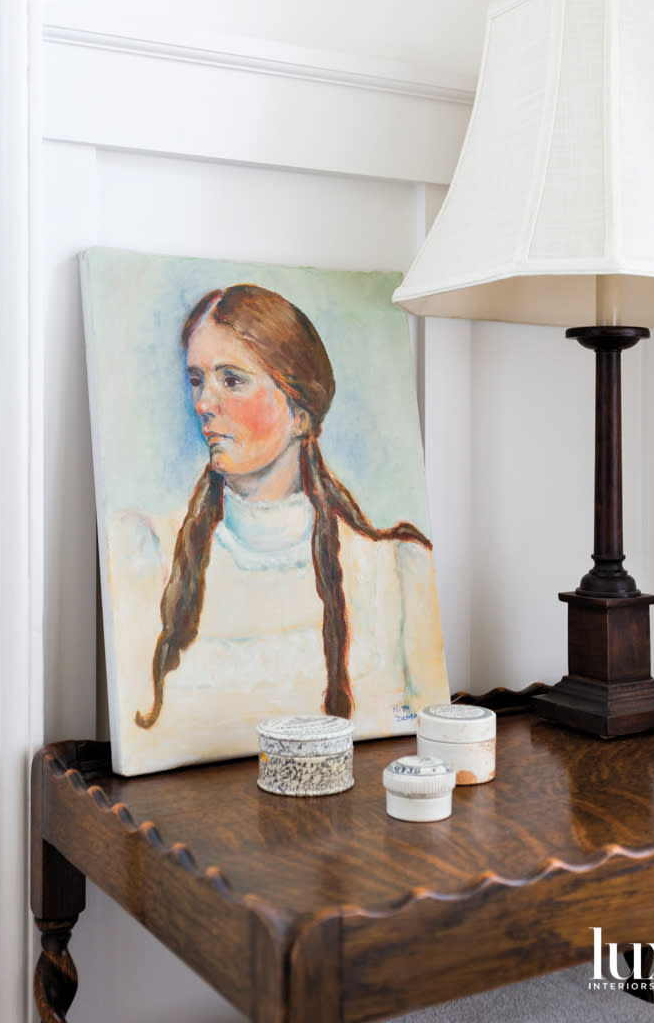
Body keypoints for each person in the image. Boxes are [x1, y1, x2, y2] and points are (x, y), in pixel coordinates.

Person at [109, 283, 449, 775]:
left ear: (299, 411)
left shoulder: (397, 569)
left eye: (231, 379)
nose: (204, 402)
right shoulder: (142, 551)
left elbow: (424, 741)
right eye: (197, 379)